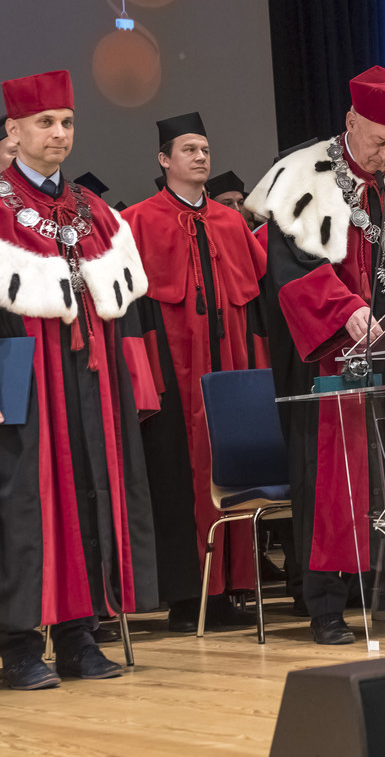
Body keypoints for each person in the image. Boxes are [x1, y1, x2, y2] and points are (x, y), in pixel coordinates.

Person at [0, 70, 158, 690]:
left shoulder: (96, 214)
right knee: (19, 510)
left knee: (89, 502)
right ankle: (19, 645)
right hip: (22, 387)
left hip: (89, 389)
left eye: (67, 122)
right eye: (45, 123)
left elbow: (122, 314)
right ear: (14, 132)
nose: (59, 133)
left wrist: (131, 387)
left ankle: (78, 637)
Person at [248, 66, 385, 645]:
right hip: (332, 361)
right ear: (350, 120)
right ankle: (324, 606)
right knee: (332, 481)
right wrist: (344, 309)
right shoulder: (301, 176)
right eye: (378, 141)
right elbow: (290, 267)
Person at [121, 113, 267, 632]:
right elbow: (132, 309)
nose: (201, 157)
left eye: (205, 149)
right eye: (189, 149)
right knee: (178, 474)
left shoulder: (231, 222)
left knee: (234, 468)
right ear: (164, 160)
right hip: (174, 370)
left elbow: (255, 301)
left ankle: (231, 590)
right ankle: (187, 596)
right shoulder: (138, 221)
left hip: (231, 368)